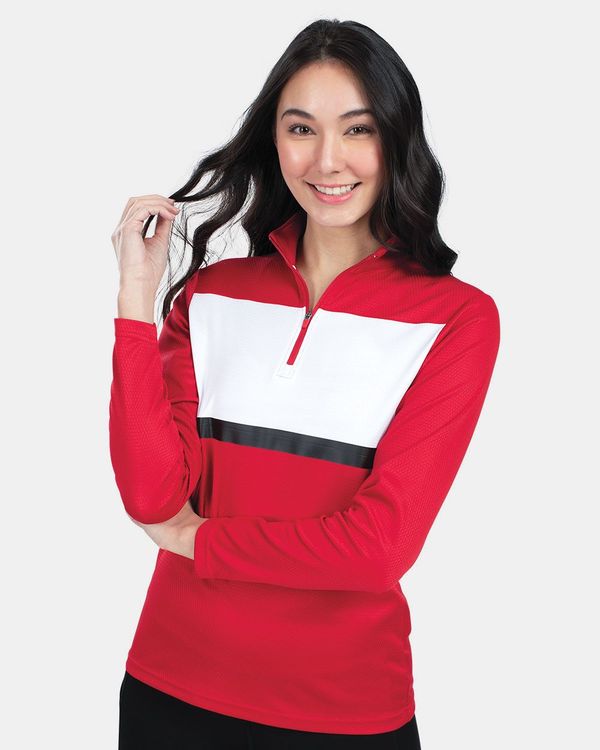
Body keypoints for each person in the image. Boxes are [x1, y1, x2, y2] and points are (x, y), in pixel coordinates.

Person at [109, 18, 500, 750]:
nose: (327, 159)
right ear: (275, 141)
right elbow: (152, 497)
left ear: (396, 139)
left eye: (358, 129)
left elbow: (378, 548)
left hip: (344, 713)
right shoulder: (211, 295)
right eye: (300, 129)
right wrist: (137, 300)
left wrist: (199, 542)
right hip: (169, 688)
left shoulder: (456, 318)